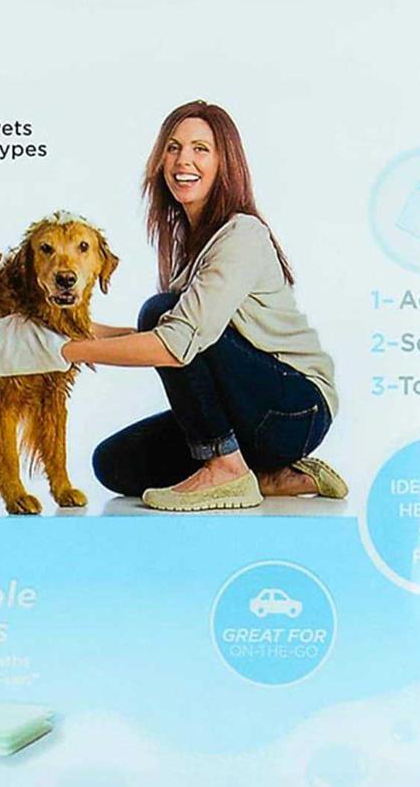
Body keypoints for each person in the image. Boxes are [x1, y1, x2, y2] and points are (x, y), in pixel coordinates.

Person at [60, 100, 346, 511]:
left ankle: (225, 467)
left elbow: (175, 343)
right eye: (173, 148)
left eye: (200, 149)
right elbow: (170, 336)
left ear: (224, 163)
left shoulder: (242, 234)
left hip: (296, 409)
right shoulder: (195, 244)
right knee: (114, 464)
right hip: (251, 413)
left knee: (160, 312)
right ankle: (268, 475)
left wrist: (67, 352)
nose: (183, 161)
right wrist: (69, 329)